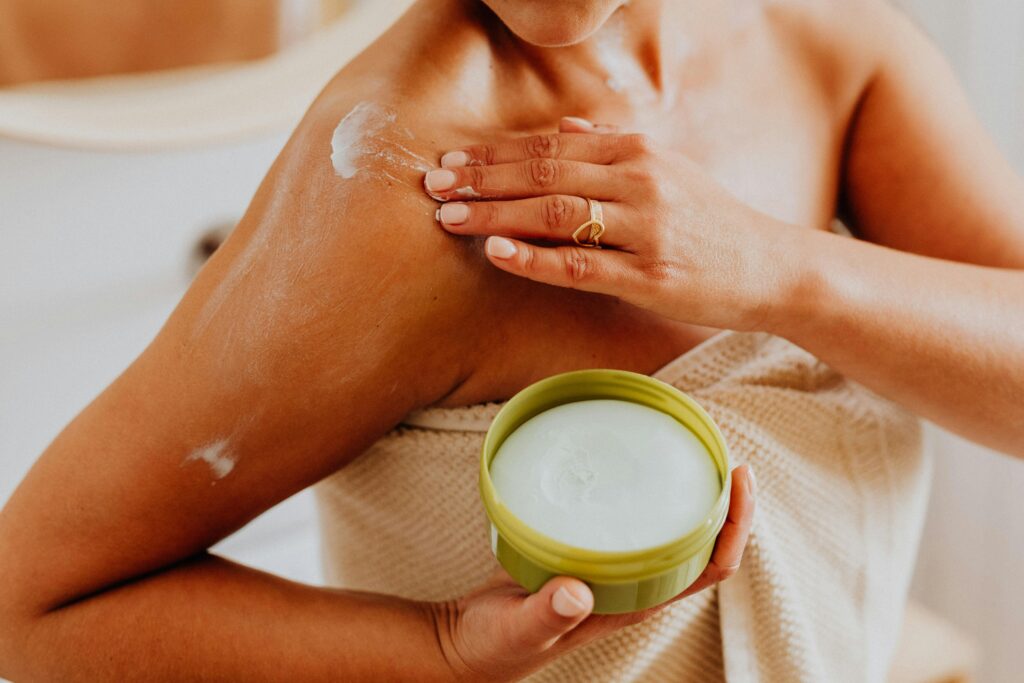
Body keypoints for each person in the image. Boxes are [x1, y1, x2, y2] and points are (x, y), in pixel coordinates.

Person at [0, 0, 1021, 680]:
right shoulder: (403, 186)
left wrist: (780, 271)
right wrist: (439, 648)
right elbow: (33, 610)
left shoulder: (825, 46)